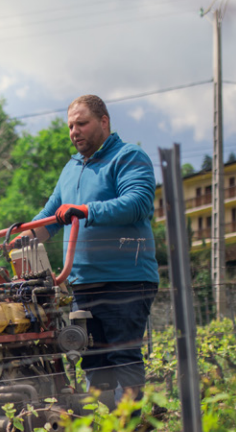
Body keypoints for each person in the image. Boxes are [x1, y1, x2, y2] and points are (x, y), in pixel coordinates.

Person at [22, 94, 158, 403]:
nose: (74, 132)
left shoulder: (128, 156)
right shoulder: (71, 168)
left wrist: (87, 211)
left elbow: (138, 203)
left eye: (81, 123)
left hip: (125, 280)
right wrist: (22, 237)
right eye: (70, 126)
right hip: (82, 284)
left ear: (104, 122)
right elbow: (51, 217)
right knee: (93, 362)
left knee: (123, 357)